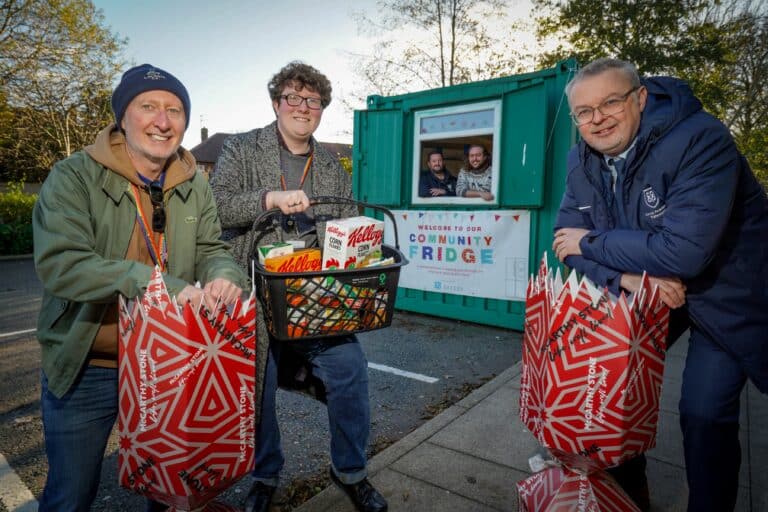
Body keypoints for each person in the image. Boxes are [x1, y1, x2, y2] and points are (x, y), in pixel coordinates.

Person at [552, 58, 768, 512]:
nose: (598, 119)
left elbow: (684, 251)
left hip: (723, 292)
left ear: (641, 98)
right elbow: (563, 245)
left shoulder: (701, 138)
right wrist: (624, 276)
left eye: (611, 102)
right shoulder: (581, 160)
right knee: (605, 386)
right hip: (647, 289)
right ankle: (628, 497)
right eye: (584, 111)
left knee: (704, 414)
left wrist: (592, 240)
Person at [32, 64, 247, 512]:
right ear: (122, 118)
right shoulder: (72, 177)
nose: (162, 121)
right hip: (92, 361)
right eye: (148, 106)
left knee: (171, 490)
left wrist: (226, 274)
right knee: (70, 497)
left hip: (172, 359)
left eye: (174, 109)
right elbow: (62, 265)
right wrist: (150, 283)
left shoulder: (195, 182)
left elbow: (212, 247)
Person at [210, 61, 388, 512]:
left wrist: (359, 249)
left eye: (313, 100)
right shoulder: (242, 148)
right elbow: (218, 206)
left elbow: (340, 228)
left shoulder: (330, 165)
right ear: (276, 103)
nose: (303, 107)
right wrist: (269, 199)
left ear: (322, 109)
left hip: (313, 296)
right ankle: (265, 475)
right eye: (293, 97)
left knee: (349, 369)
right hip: (254, 289)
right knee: (257, 386)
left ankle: (349, 471)